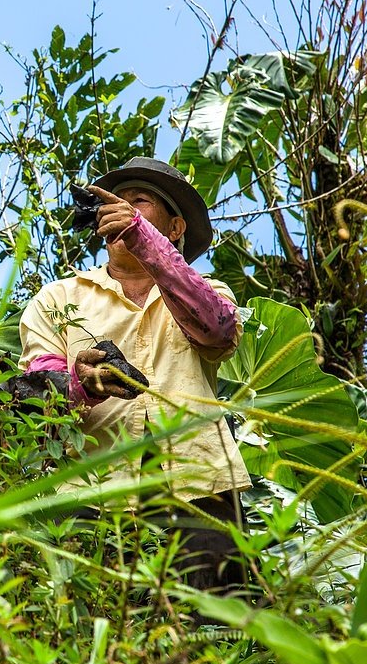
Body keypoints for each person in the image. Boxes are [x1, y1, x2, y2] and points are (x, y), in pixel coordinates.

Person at [18, 157, 250, 589]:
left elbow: (217, 330)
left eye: (138, 201)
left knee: (211, 634)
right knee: (86, 636)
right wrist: (79, 384)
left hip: (198, 486)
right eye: (115, 204)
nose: (119, 210)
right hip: (89, 491)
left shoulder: (209, 291)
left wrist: (143, 239)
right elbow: (38, 394)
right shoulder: (58, 298)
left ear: (176, 228)